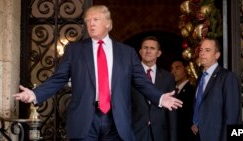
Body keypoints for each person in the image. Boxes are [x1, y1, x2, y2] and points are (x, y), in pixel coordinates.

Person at [13, 5, 182, 141]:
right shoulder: (74, 50)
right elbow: (59, 78)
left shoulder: (127, 52)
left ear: (108, 23)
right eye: (88, 21)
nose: (91, 24)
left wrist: (159, 97)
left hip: (117, 121)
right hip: (85, 118)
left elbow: (141, 81)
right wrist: (35, 94)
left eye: (95, 19)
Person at [191, 38, 240, 141]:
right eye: (201, 50)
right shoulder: (200, 77)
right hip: (198, 135)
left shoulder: (227, 77)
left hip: (217, 136)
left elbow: (232, 116)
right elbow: (201, 105)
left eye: (207, 50)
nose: (202, 53)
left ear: (217, 55)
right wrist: (196, 123)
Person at [131, 36, 177, 141]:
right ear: (140, 51)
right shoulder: (130, 75)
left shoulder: (168, 77)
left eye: (152, 48)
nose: (148, 51)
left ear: (159, 53)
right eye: (145, 47)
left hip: (160, 134)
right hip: (135, 133)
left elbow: (172, 113)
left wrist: (173, 138)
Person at [171, 59, 196, 141]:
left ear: (186, 69)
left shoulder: (193, 90)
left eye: (177, 68)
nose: (173, 71)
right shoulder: (170, 91)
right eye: (172, 68)